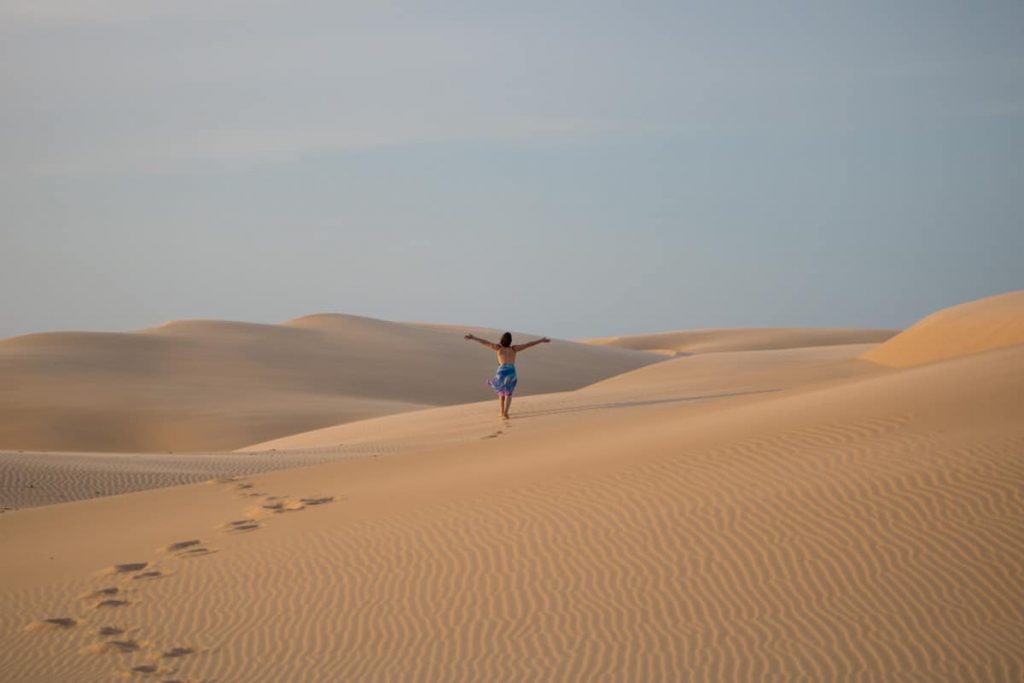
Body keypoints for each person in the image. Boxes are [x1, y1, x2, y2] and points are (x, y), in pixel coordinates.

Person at [464, 331, 551, 418]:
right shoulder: (514, 348)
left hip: (501, 371)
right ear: (510, 340)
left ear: (502, 339)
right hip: (511, 371)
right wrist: (541, 340)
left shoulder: (498, 348)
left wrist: (473, 338)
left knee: (501, 392)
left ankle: (501, 411)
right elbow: (528, 345)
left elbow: (485, 342)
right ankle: (505, 412)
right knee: (509, 393)